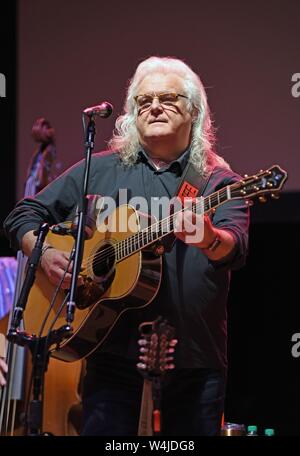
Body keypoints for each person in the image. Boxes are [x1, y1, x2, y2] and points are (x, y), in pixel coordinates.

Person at [3, 56, 249, 435]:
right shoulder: (99, 169)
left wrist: (209, 238)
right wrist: (46, 254)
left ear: (195, 111)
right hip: (109, 352)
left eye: (168, 98)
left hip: (193, 362)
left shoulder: (220, 182)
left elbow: (234, 248)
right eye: (143, 100)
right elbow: (23, 215)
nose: (154, 106)